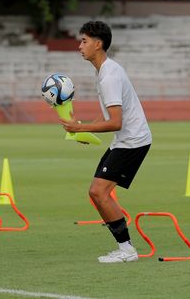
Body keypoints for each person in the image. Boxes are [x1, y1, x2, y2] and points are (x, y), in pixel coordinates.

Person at [60, 21, 152, 263]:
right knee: (97, 193)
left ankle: (127, 251)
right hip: (126, 139)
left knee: (98, 192)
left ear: (98, 44)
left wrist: (82, 127)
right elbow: (109, 114)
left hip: (132, 140)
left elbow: (116, 122)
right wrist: (87, 131)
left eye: (84, 41)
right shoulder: (105, 69)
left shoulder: (108, 76)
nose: (80, 46)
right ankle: (125, 248)